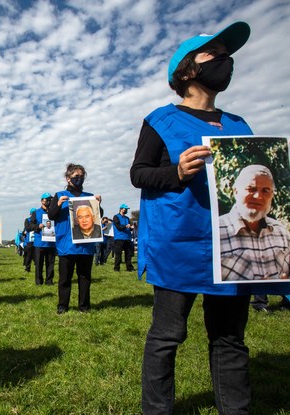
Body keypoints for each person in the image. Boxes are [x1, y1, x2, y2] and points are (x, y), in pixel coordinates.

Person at [130, 21, 290, 414]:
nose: (226, 61)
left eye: (228, 55)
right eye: (215, 54)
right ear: (187, 70)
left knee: (230, 339)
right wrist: (177, 173)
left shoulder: (239, 125)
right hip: (178, 246)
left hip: (233, 250)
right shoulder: (160, 120)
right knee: (168, 335)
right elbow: (139, 173)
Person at [219, 165, 290, 281]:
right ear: (235, 191)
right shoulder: (216, 230)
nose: (258, 196)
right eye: (251, 189)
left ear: (272, 195)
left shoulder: (282, 232)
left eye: (265, 191)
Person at [48, 163, 101, 314]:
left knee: (84, 277)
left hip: (86, 244)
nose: (79, 179)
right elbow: (51, 215)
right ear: (68, 178)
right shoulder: (59, 195)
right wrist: (58, 204)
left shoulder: (89, 196)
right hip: (66, 244)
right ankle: (62, 305)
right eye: (75, 176)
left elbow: (97, 216)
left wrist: (98, 204)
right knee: (65, 278)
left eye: (81, 176)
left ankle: (84, 306)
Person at [31, 192, 56, 285]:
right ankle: (39, 281)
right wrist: (38, 226)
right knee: (39, 264)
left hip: (51, 243)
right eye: (47, 199)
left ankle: (49, 281)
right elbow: (30, 226)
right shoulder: (36, 212)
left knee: (50, 263)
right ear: (42, 201)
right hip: (39, 243)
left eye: (50, 199)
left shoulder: (53, 212)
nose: (49, 201)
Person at [112, 204, 134, 271]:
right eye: (125, 209)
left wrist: (131, 228)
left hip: (127, 238)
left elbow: (129, 227)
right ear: (121, 209)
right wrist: (126, 226)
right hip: (119, 238)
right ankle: (117, 268)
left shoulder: (127, 218)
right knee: (118, 254)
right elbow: (118, 227)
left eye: (127, 209)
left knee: (129, 254)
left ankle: (129, 268)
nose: (126, 210)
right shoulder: (116, 217)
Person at [23, 209, 36, 273]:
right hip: (29, 241)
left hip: (37, 240)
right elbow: (27, 228)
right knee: (29, 256)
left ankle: (38, 268)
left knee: (37, 256)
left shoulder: (38, 220)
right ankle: (27, 269)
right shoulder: (27, 220)